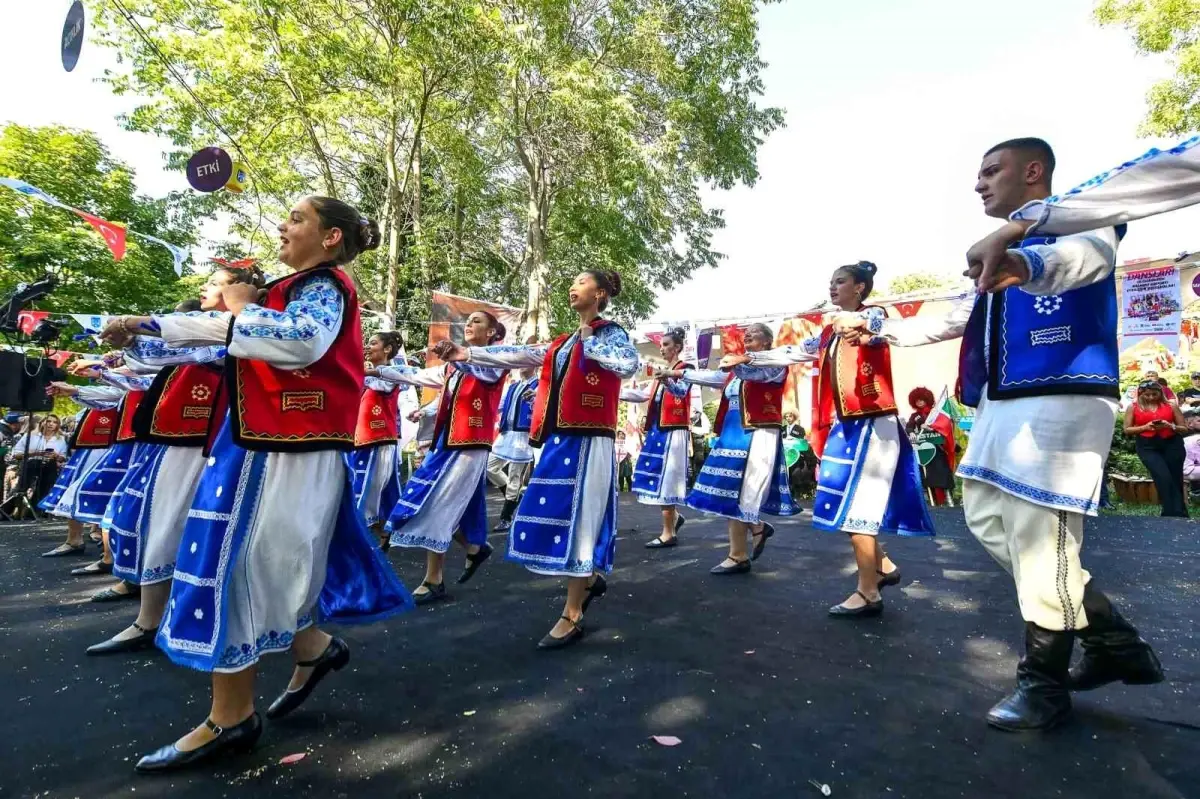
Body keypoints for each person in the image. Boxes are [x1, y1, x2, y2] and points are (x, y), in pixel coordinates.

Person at [837, 137, 1165, 730]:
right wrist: (876, 328)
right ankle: (1114, 640)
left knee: (1044, 547)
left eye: (992, 170)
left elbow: (1084, 259)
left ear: (1033, 171)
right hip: (1001, 406)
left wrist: (1026, 262)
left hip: (1060, 399)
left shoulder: (1088, 220)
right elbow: (952, 319)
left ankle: (1044, 687)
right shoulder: (994, 256)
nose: (979, 182)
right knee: (988, 522)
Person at [99, 195, 412, 773]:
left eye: (297, 219)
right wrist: (144, 326)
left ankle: (232, 717)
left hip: (291, 447)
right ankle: (310, 650)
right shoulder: (279, 295)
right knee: (259, 563)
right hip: (257, 444)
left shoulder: (325, 288)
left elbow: (302, 343)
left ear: (331, 238)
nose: (283, 227)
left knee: (238, 566)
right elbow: (219, 326)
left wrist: (242, 306)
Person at [434, 270, 638, 649]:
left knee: (580, 518)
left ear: (601, 293)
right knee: (558, 513)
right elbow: (521, 354)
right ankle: (588, 582)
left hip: (591, 439)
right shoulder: (562, 341)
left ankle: (573, 612)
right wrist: (467, 353)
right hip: (562, 439)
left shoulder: (610, 332)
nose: (572, 285)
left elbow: (627, 364)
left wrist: (590, 343)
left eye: (581, 281)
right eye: (571, 280)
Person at [725, 263, 931, 615]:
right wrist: (751, 357)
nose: (833, 288)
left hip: (873, 422)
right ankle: (882, 568)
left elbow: (889, 329)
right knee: (840, 504)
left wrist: (865, 325)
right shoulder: (827, 333)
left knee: (857, 511)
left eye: (841, 282)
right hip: (847, 425)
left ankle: (869, 592)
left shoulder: (875, 317)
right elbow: (792, 353)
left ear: (861, 287)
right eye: (831, 282)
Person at [84, 269, 260, 655]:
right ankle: (154, 617)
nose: (204, 288)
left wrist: (136, 325)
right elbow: (154, 357)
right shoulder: (213, 326)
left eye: (214, 283)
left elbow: (187, 343)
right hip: (171, 440)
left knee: (170, 528)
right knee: (152, 523)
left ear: (238, 290)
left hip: (198, 444)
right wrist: (133, 337)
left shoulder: (239, 325)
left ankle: (157, 621)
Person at [375, 311, 508, 601]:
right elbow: (420, 377)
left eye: (477, 322)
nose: (469, 325)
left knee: (438, 503)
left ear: (492, 333)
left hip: (470, 444)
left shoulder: (493, 361)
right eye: (469, 321)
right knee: (435, 502)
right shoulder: (454, 368)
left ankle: (436, 576)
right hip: (447, 443)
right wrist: (377, 371)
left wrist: (459, 356)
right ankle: (471, 549)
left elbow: (479, 370)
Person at [664, 322, 798, 574]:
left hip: (758, 432)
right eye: (745, 335)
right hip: (734, 434)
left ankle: (742, 548)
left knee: (742, 492)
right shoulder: (737, 371)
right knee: (728, 491)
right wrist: (677, 374)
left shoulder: (773, 365)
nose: (746, 337)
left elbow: (753, 373)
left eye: (754, 334)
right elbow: (714, 377)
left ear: (767, 342)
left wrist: (739, 361)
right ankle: (746, 542)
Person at [622, 329, 694, 549]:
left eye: (665, 344)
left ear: (677, 347)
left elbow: (681, 391)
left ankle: (668, 533)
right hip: (659, 429)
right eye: (661, 344)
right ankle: (673, 520)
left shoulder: (685, 369)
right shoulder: (663, 373)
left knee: (667, 479)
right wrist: (614, 393)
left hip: (674, 429)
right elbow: (644, 396)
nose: (661, 348)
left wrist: (667, 379)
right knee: (655, 474)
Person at [349, 331, 405, 550]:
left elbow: (378, 381)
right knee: (371, 492)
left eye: (373, 343)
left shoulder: (390, 374)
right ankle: (381, 535)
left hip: (378, 440)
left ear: (387, 349)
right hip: (363, 440)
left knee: (367, 492)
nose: (367, 346)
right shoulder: (368, 375)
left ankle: (362, 539)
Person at [485, 345, 539, 532]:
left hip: (523, 436)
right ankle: (515, 498)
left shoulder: (539, 386)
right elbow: (498, 405)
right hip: (506, 433)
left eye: (527, 362)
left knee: (515, 476)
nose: (523, 365)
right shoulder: (513, 386)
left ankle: (506, 517)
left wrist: (536, 397)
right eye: (521, 362)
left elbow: (545, 404)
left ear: (535, 365)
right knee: (490, 467)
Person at [1124, 379, 1189, 518]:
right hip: (1147, 446)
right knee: (1162, 476)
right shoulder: (1133, 407)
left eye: (1155, 394)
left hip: (1172, 443)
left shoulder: (1170, 406)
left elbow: (1184, 428)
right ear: (1140, 394)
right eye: (1147, 395)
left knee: (1175, 477)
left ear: (1160, 393)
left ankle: (1178, 512)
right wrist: (1145, 427)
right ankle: (1171, 511)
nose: (1151, 397)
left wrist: (1169, 426)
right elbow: (1127, 429)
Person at [906, 387, 956, 507]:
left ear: (927, 399)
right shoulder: (915, 416)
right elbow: (909, 426)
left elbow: (945, 425)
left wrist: (931, 427)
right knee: (927, 475)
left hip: (938, 448)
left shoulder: (936, 413)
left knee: (942, 473)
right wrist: (912, 433)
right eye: (917, 400)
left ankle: (948, 498)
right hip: (924, 449)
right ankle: (931, 499)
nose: (919, 402)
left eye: (921, 400)